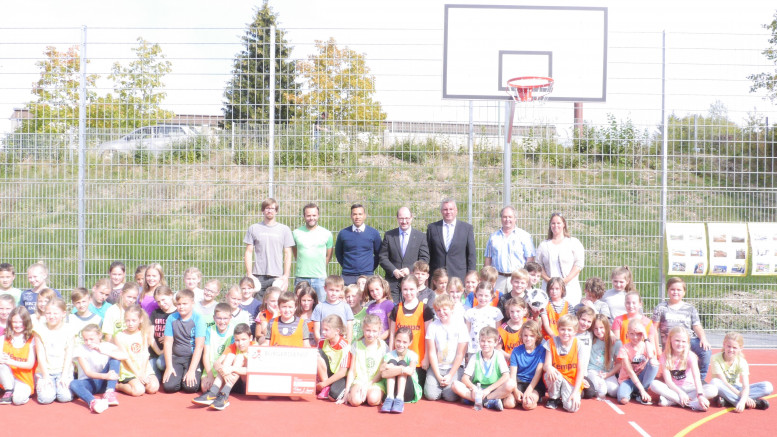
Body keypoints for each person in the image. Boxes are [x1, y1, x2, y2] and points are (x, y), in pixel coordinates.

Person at [651, 277, 711, 381]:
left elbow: (696, 325)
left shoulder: (690, 308)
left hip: (688, 341)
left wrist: (703, 338)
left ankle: (700, 380)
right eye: (672, 289)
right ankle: (671, 378)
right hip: (671, 343)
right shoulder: (661, 308)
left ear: (684, 292)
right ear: (668, 291)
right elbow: (653, 329)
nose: (675, 292)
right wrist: (657, 348)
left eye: (679, 290)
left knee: (705, 351)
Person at [648, 326, 717, 411]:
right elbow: (668, 381)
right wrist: (680, 393)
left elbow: (697, 378)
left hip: (691, 388)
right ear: (670, 341)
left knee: (713, 390)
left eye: (683, 341)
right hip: (675, 388)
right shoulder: (665, 356)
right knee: (653, 384)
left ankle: (671, 401)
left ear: (687, 343)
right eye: (677, 340)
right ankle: (690, 404)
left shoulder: (690, 356)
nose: (680, 344)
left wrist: (700, 395)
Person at [192, 323, 256, 411]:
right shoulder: (232, 346)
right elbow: (216, 363)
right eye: (237, 340)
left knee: (240, 357)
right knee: (230, 356)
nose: (240, 343)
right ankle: (213, 392)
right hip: (231, 381)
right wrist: (224, 372)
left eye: (244, 339)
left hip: (246, 384)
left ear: (251, 338)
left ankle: (224, 395)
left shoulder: (255, 348)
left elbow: (254, 370)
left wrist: (232, 368)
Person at [452, 326, 516, 411]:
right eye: (483, 341)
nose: (485, 344)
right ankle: (488, 401)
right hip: (478, 390)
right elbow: (465, 378)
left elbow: (506, 376)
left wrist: (488, 390)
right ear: (479, 341)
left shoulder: (499, 355)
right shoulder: (475, 357)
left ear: (496, 343)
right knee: (455, 385)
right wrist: (474, 388)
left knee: (511, 383)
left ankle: (480, 400)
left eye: (489, 341)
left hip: (494, 390)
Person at [69, 324, 127, 413]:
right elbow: (88, 372)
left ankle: (109, 392)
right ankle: (93, 402)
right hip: (89, 382)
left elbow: (124, 356)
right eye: (85, 339)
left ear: (100, 335)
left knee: (115, 359)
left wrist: (102, 350)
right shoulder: (80, 349)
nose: (88, 342)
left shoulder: (107, 346)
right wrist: (106, 376)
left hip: (105, 383)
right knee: (74, 384)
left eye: (91, 339)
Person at [710, 331, 773, 412]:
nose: (731, 350)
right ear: (724, 345)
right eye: (729, 346)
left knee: (767, 386)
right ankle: (752, 403)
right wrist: (744, 398)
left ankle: (727, 401)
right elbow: (724, 382)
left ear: (740, 348)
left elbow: (745, 386)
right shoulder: (715, 358)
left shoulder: (742, 362)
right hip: (723, 388)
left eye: (734, 347)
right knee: (714, 382)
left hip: (737, 388)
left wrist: (743, 399)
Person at [389, 275, 434, 385]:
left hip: (419, 360)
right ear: (401, 290)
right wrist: (390, 355)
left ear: (417, 289)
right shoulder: (396, 309)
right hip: (399, 359)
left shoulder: (425, 309)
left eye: (411, 289)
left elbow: (429, 336)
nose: (408, 292)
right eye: (405, 289)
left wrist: (427, 358)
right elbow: (392, 334)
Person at [243, 198, 295, 295]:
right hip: (258, 275)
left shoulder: (284, 230)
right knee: (258, 307)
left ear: (276, 211)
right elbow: (248, 252)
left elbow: (288, 254)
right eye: (267, 208)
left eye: (272, 208)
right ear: (263, 210)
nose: (270, 210)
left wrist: (286, 276)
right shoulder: (254, 228)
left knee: (275, 305)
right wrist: (249, 274)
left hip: (277, 276)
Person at [379, 206, 430, 302]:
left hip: (412, 283)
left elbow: (424, 258)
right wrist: (393, 270)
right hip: (393, 283)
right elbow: (382, 257)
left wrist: (410, 269)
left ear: (411, 218)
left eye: (407, 218)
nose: (404, 221)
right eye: (401, 218)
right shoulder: (389, 235)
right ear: (397, 218)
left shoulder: (421, 237)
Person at [424, 293, 469, 402]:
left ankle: (445, 388)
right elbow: (432, 353)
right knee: (431, 396)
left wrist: (450, 375)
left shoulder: (461, 326)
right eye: (438, 310)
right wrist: (438, 376)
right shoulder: (433, 326)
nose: (442, 313)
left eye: (445, 309)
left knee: (450, 397)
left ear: (452, 309)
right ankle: (438, 385)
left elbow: (460, 354)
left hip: (454, 367)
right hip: (438, 367)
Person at [535, 212, 585, 306]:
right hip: (548, 288)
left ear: (564, 224)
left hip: (569, 287)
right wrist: (549, 281)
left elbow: (579, 264)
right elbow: (538, 265)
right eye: (553, 223)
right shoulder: (544, 245)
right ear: (550, 225)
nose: (555, 225)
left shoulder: (573, 242)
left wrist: (564, 281)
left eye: (558, 223)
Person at [162, 289, 206, 394]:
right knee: (169, 387)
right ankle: (179, 377)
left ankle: (190, 374)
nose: (181, 307)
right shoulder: (171, 318)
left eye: (185, 304)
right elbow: (167, 343)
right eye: (179, 304)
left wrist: (191, 371)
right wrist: (169, 367)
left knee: (190, 387)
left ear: (192, 303)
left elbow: (199, 346)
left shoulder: (199, 319)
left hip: (192, 358)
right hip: (176, 357)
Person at [484, 206, 536, 293]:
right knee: (498, 305)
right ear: (501, 219)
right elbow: (488, 259)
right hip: (498, 279)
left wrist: (525, 278)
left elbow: (530, 260)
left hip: (518, 279)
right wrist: (488, 278)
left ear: (515, 219)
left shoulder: (524, 236)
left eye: (510, 217)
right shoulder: (493, 237)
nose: (507, 219)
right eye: (504, 217)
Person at [339, 315, 388, 407]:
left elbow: (381, 372)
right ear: (363, 329)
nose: (371, 334)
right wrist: (346, 393)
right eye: (368, 330)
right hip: (359, 381)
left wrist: (368, 385)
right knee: (355, 401)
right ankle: (354, 394)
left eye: (374, 331)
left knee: (373, 400)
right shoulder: (356, 345)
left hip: (375, 382)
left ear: (379, 331)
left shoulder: (383, 346)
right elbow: (352, 371)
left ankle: (372, 395)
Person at [543, 314, 588, 412]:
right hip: (557, 376)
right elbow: (546, 365)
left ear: (575, 331)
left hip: (570, 378)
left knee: (572, 408)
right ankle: (553, 398)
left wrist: (575, 393)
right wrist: (549, 368)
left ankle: (565, 395)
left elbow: (580, 370)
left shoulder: (579, 345)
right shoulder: (551, 342)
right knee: (551, 373)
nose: (565, 333)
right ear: (558, 329)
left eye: (569, 330)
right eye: (563, 329)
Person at [426, 198, 476, 282]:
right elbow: (428, 253)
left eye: (451, 209)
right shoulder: (432, 228)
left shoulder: (467, 229)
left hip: (459, 276)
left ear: (456, 210)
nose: (448, 212)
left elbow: (471, 254)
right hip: (438, 278)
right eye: (445, 209)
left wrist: (471, 274)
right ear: (441, 211)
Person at [34, 298, 74, 404]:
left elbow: (68, 355)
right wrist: (46, 376)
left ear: (63, 313)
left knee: (65, 397)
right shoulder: (39, 329)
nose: (51, 316)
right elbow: (40, 355)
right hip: (45, 371)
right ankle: (45, 385)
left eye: (55, 313)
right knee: (45, 399)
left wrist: (64, 376)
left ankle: (60, 386)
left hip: (63, 371)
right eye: (48, 313)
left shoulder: (69, 329)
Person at [114, 305, 159, 397]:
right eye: (127, 320)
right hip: (129, 371)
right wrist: (137, 374)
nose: (130, 324)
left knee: (153, 388)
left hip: (144, 369)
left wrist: (142, 372)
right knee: (138, 391)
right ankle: (119, 386)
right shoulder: (119, 336)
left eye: (134, 320)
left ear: (140, 319)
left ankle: (141, 382)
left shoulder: (143, 333)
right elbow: (126, 358)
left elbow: (145, 354)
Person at [292, 203, 334, 302]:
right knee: (299, 307)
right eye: (308, 215)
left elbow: (328, 255)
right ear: (304, 216)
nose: (311, 218)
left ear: (318, 216)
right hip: (301, 277)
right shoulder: (296, 233)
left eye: (314, 215)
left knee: (321, 307)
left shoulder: (327, 234)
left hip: (320, 278)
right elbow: (295, 253)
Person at [335, 203, 381, 285]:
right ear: (351, 216)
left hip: (367, 275)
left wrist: (369, 268)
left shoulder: (373, 233)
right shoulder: (343, 233)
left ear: (365, 216)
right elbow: (338, 254)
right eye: (354, 214)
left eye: (360, 214)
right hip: (347, 276)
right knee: (349, 297)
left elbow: (379, 253)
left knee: (367, 298)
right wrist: (347, 266)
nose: (357, 217)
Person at [616, 319, 659, 405]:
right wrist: (642, 390)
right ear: (627, 334)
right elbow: (630, 372)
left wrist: (645, 337)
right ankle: (637, 392)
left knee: (654, 363)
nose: (635, 337)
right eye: (632, 334)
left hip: (642, 378)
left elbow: (651, 356)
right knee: (623, 400)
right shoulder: (624, 349)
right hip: (628, 380)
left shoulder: (646, 345)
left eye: (639, 334)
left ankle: (640, 392)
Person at [380, 327, 422, 413]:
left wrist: (390, 367)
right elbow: (383, 373)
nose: (401, 344)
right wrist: (402, 369)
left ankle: (400, 399)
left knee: (402, 362)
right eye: (398, 341)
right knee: (393, 361)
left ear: (410, 343)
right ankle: (390, 398)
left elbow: (410, 371)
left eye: (404, 342)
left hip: (408, 392)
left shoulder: (412, 355)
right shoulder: (389, 355)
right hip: (393, 389)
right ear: (394, 340)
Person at [0, 307, 36, 405]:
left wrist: (9, 361)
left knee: (18, 400)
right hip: (8, 377)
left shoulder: (31, 339)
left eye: (21, 322)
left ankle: (16, 392)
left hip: (23, 379)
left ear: (26, 322)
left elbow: (29, 365)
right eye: (15, 322)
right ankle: (9, 390)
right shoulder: (3, 338)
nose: (18, 325)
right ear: (10, 322)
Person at [509, 320, 546, 410]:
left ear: (537, 336)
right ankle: (520, 398)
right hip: (519, 382)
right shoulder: (516, 351)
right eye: (525, 335)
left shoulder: (542, 350)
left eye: (532, 336)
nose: (528, 338)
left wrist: (529, 390)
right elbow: (513, 375)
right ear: (521, 336)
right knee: (509, 404)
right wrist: (515, 391)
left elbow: (538, 373)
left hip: (534, 384)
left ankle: (535, 398)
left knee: (527, 404)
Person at [583, 314, 621, 400]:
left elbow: (619, 364)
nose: (599, 331)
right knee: (602, 391)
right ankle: (598, 386)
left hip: (607, 372)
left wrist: (608, 375)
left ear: (607, 327)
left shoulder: (616, 342)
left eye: (601, 328)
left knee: (614, 391)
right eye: (595, 328)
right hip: (593, 370)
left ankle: (602, 384)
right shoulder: (591, 338)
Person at [464, 282, 503, 358]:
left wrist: (496, 346)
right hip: (474, 349)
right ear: (476, 295)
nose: (483, 298)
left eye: (486, 296)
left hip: (491, 349)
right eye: (480, 295)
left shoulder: (496, 312)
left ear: (491, 296)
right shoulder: (470, 312)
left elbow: (498, 332)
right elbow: (467, 332)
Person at [201, 303, 234, 393]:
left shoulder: (233, 332)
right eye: (219, 318)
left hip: (224, 368)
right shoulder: (209, 330)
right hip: (210, 368)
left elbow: (231, 356)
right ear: (214, 318)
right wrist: (210, 374)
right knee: (205, 388)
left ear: (230, 318)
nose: (222, 321)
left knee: (218, 389)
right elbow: (206, 354)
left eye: (225, 318)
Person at [316, 314, 350, 401]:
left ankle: (326, 387)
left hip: (340, 376)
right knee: (317, 354)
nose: (323, 332)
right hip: (326, 374)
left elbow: (342, 372)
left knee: (333, 396)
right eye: (322, 329)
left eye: (326, 330)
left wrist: (323, 384)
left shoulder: (345, 346)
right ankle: (326, 387)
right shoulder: (322, 341)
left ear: (337, 331)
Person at [149, 286, 176, 381]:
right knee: (153, 383)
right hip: (156, 352)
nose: (161, 304)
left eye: (163, 300)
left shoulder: (178, 313)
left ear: (171, 296)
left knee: (161, 364)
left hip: (172, 353)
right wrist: (159, 352)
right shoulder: (155, 313)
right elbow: (150, 337)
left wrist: (169, 338)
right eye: (158, 301)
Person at [365, 276, 394, 341]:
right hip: (371, 341)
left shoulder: (388, 304)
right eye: (371, 290)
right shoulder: (370, 307)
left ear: (383, 288)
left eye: (377, 289)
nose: (375, 293)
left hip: (384, 343)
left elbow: (391, 328)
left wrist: (378, 339)